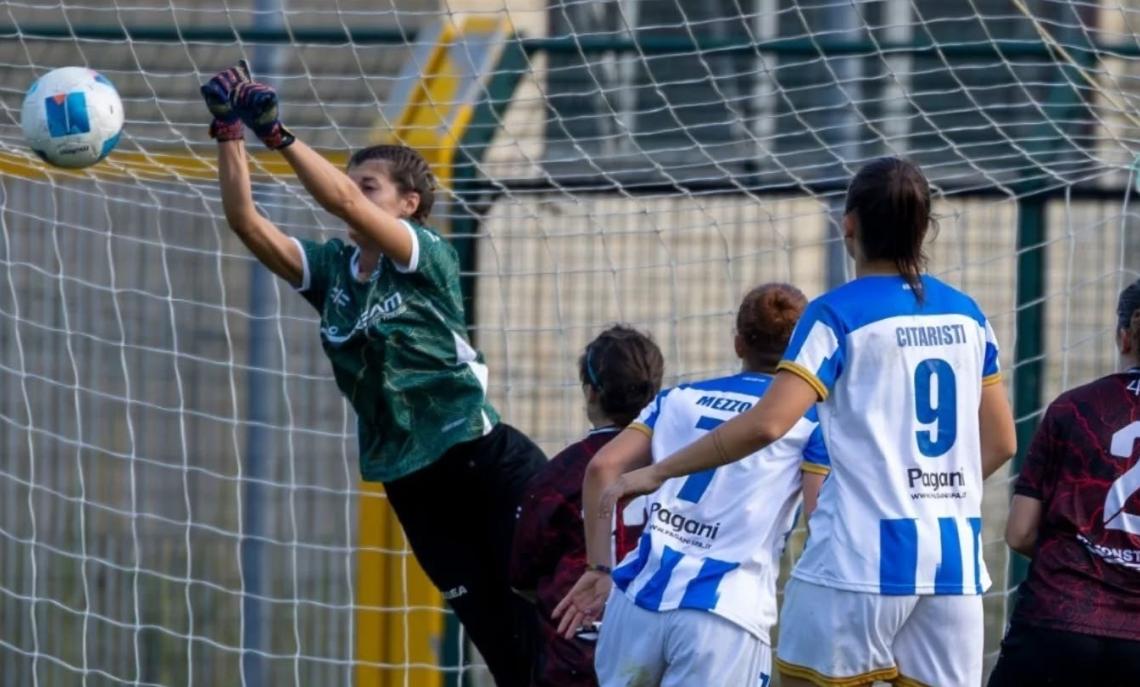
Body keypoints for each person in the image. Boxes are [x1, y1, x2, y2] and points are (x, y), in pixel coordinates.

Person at [592, 157, 1018, 687]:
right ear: (923, 225)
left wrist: (659, 472)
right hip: (953, 563)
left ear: (849, 224)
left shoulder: (835, 314)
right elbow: (1001, 440)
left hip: (857, 561)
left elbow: (768, 424)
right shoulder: (968, 315)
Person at [199, 62, 546, 686]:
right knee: (502, 646)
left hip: (482, 459)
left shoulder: (423, 253)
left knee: (552, 612)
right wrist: (228, 130)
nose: (354, 194)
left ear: (408, 204)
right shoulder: (332, 272)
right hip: (413, 485)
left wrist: (277, 135)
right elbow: (246, 222)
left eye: (371, 186)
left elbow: (341, 200)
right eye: (355, 181)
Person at [554, 283, 830, 686]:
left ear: (738, 343)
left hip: (636, 601)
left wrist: (599, 567)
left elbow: (602, 468)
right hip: (724, 617)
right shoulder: (808, 421)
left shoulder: (679, 398)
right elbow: (819, 515)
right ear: (801, 352)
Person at [988, 279, 1140, 686]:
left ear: (1122, 335)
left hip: (1057, 620)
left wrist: (1085, 558)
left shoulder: (1072, 407)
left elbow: (1020, 533)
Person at [510, 325, 664, 687]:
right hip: (662, 648)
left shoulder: (559, 476)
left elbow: (522, 576)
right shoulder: (680, 464)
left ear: (591, 392)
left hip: (579, 658)